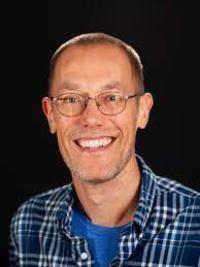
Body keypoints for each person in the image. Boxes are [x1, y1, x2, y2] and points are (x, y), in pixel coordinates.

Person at [9, 32, 200, 267]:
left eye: (111, 97)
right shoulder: (28, 224)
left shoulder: (195, 224)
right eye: (70, 99)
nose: (91, 119)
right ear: (50, 115)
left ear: (143, 110)